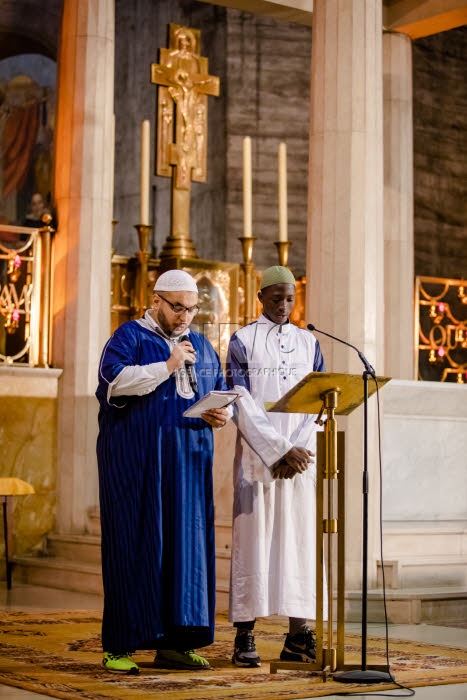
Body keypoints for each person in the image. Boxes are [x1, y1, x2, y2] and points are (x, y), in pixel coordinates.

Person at [96, 269, 231, 674]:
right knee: (134, 546)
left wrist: (222, 413)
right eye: (177, 307)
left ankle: (177, 643)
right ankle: (119, 646)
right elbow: (114, 383)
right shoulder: (129, 337)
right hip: (137, 464)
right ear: (155, 301)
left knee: (185, 553)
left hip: (188, 466)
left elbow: (220, 390)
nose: (185, 316)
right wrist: (168, 365)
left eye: (192, 308)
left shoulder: (204, 346)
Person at [226, 265, 327, 668]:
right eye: (276, 298)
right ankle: (244, 636)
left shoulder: (309, 342)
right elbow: (240, 399)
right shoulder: (242, 340)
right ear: (261, 297)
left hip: (299, 464)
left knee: (298, 545)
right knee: (254, 544)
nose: (284, 306)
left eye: (290, 298)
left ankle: (298, 637)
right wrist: (277, 450)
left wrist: (296, 451)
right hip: (258, 461)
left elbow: (321, 399)